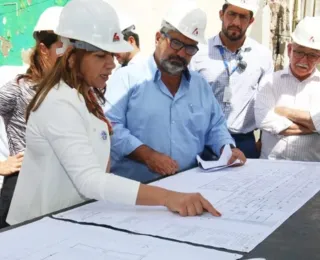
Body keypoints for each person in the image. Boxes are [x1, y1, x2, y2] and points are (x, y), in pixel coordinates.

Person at [7, 0, 222, 226]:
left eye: (112, 55)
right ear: (71, 55)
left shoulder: (85, 97)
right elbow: (90, 180)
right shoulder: (58, 102)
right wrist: (168, 197)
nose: (111, 64)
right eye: (101, 56)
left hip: (71, 220)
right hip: (39, 230)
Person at [104, 1, 246, 183]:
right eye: (176, 43)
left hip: (189, 185)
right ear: (158, 38)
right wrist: (147, 155)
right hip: (137, 191)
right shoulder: (126, 78)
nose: (181, 54)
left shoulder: (200, 85)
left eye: (190, 48)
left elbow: (215, 126)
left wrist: (227, 148)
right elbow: (110, 127)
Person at [0, 6, 63, 228]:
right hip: (22, 189)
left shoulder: (73, 88)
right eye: (62, 47)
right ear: (44, 49)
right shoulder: (18, 88)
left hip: (60, 187)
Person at [190, 0, 274, 158]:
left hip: (244, 142)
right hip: (203, 141)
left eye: (243, 17)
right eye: (232, 14)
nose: (236, 22)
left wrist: (262, 141)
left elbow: (266, 100)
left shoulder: (263, 56)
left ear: (251, 21)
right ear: (221, 15)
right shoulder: (199, 52)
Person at [255, 16, 320, 161]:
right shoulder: (270, 81)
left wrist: (285, 111)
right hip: (270, 167)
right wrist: (314, 126)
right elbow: (263, 120)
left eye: (312, 55)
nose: (304, 60)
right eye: (299, 52)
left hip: (311, 170)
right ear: (289, 49)